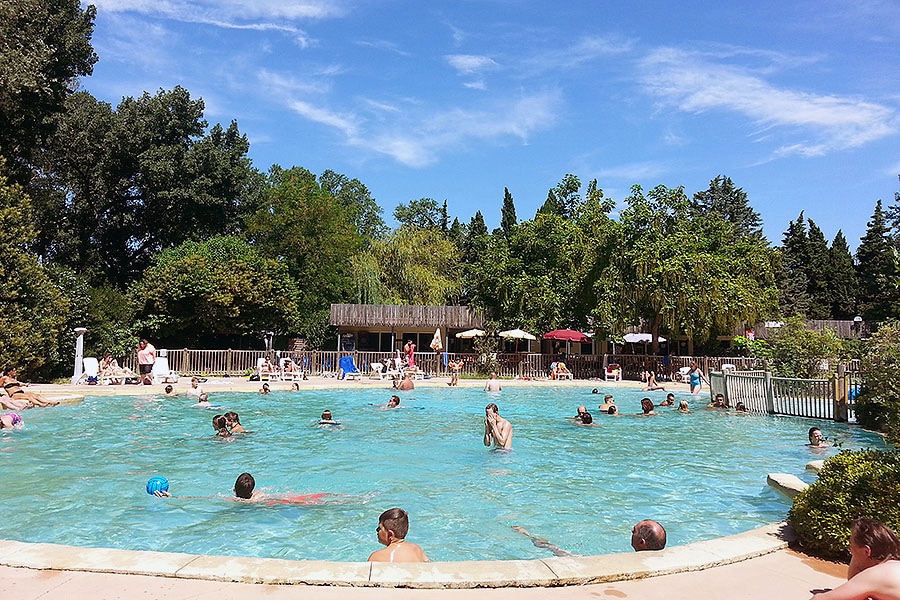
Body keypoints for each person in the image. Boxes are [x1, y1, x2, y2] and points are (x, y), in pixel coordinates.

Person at [810, 518, 900, 600]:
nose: (850, 550)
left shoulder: (877, 574)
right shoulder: (893, 566)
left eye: (851, 548)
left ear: (866, 551)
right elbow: (853, 582)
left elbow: (821, 599)